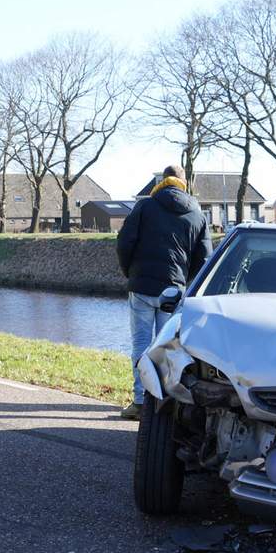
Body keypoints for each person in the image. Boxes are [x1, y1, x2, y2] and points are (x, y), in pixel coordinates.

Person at [116, 164, 213, 420]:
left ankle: (139, 402)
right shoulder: (196, 212)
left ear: (162, 181)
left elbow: (124, 242)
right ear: (184, 182)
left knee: (141, 344)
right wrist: (185, 285)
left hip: (142, 287)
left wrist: (130, 273)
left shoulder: (145, 206)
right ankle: (163, 403)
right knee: (167, 347)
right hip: (174, 289)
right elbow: (204, 259)